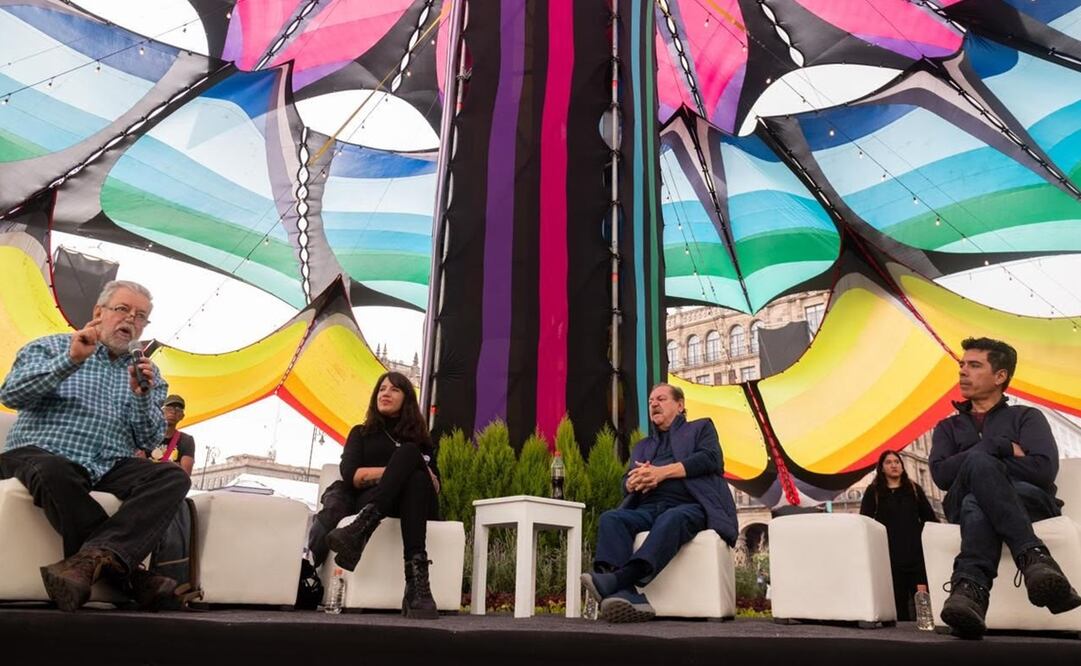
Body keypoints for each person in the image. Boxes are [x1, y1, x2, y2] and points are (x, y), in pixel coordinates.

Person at [0, 280, 191, 612]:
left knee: (172, 477)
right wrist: (70, 361)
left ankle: (90, 561)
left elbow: (148, 440)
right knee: (53, 469)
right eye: (122, 309)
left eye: (141, 315)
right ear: (98, 313)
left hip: (108, 464)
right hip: (39, 452)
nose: (131, 320)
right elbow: (11, 395)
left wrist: (142, 399)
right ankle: (130, 577)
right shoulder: (52, 346)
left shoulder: (149, 375)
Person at [930, 337, 1081, 638]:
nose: (962, 372)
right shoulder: (946, 427)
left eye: (974, 365)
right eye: (962, 365)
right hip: (964, 502)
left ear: (1000, 376)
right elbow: (942, 475)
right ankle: (1034, 557)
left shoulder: (1027, 417)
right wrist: (997, 447)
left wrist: (977, 460)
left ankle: (970, 588)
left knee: (977, 498)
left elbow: (1042, 469)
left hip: (1028, 500)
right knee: (978, 469)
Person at [581, 383, 738, 623]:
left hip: (691, 506)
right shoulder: (644, 446)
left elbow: (711, 458)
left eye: (661, 399)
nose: (653, 403)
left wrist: (661, 473)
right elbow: (625, 481)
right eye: (651, 400)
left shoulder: (700, 428)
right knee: (611, 518)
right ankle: (629, 597)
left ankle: (620, 579)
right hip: (647, 508)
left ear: (680, 405)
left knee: (672, 518)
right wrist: (633, 482)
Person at [307, 371, 441, 619]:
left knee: (414, 468)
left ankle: (361, 530)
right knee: (413, 467)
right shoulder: (361, 433)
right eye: (381, 389)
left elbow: (435, 486)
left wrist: (409, 464)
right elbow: (352, 475)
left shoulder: (422, 440)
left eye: (394, 389)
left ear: (407, 399)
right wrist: (399, 470)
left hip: (419, 504)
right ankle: (417, 589)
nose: (386, 393)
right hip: (373, 498)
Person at [860, 449, 938, 621]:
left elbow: (930, 519)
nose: (894, 465)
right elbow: (865, 523)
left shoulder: (914, 489)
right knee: (896, 601)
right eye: (888, 462)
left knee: (922, 600)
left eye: (897, 462)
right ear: (881, 468)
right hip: (888, 557)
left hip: (916, 556)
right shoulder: (874, 492)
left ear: (902, 467)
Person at [145, 394, 195, 475]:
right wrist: (174, 466)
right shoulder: (146, 435)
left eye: (178, 410)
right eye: (169, 408)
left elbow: (185, 474)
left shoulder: (186, 440)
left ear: (182, 416)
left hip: (170, 487)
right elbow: (138, 466)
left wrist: (152, 465)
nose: (173, 412)